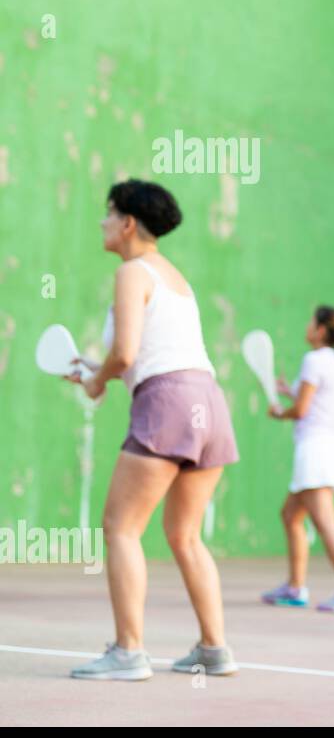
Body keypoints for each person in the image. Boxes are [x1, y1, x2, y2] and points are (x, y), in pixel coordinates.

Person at [69, 179, 240, 681]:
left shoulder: (130, 273)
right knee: (185, 534)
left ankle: (128, 652)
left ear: (126, 223)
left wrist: (97, 381)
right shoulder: (174, 277)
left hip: (166, 403)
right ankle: (214, 650)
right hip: (207, 403)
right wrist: (93, 370)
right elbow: (141, 356)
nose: (102, 223)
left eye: (108, 214)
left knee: (120, 527)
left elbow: (126, 355)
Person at [260, 307, 334, 614]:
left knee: (326, 523)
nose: (307, 326)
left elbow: (302, 410)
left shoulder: (314, 360)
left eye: (311, 322)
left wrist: (280, 411)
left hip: (316, 449)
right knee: (290, 515)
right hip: (329, 445)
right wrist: (287, 390)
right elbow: (316, 399)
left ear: (321, 330)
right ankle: (295, 587)